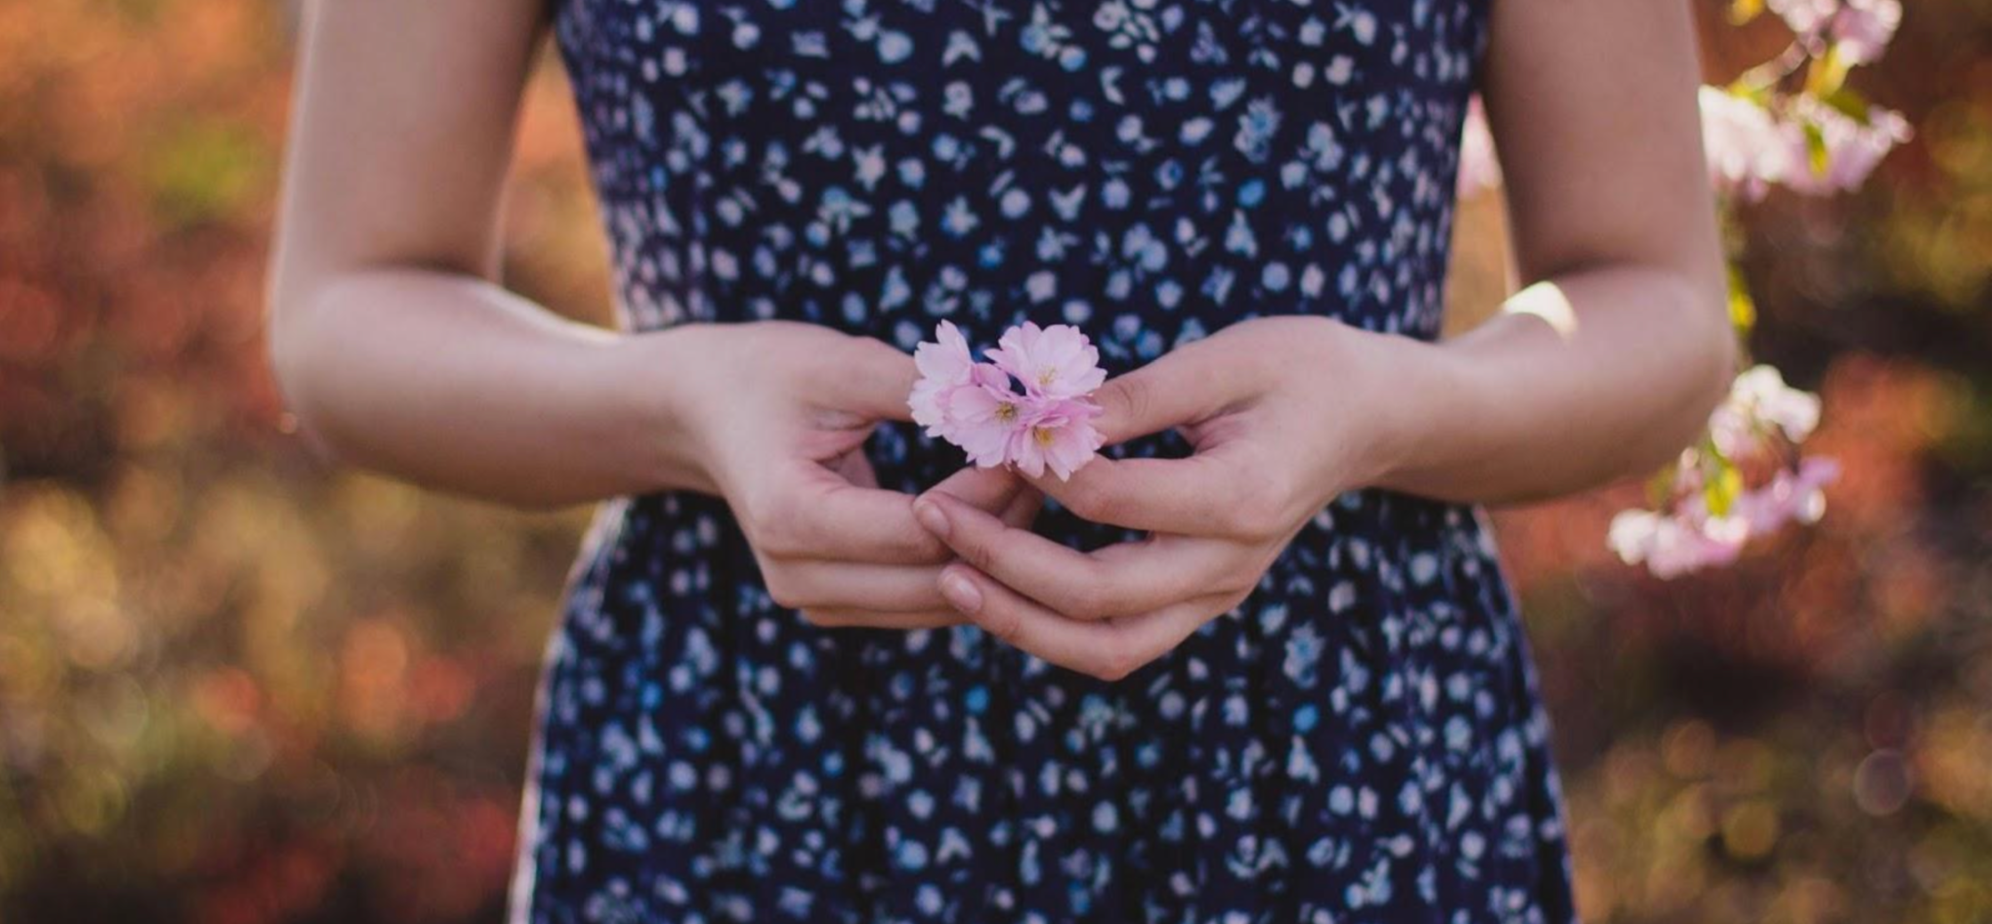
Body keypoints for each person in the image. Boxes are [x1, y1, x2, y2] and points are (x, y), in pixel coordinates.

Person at [267, 0, 1732, 920]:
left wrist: (1391, 404)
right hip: (752, 764)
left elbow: (1654, 303)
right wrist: (675, 401)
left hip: (1323, 766)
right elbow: (348, 310)